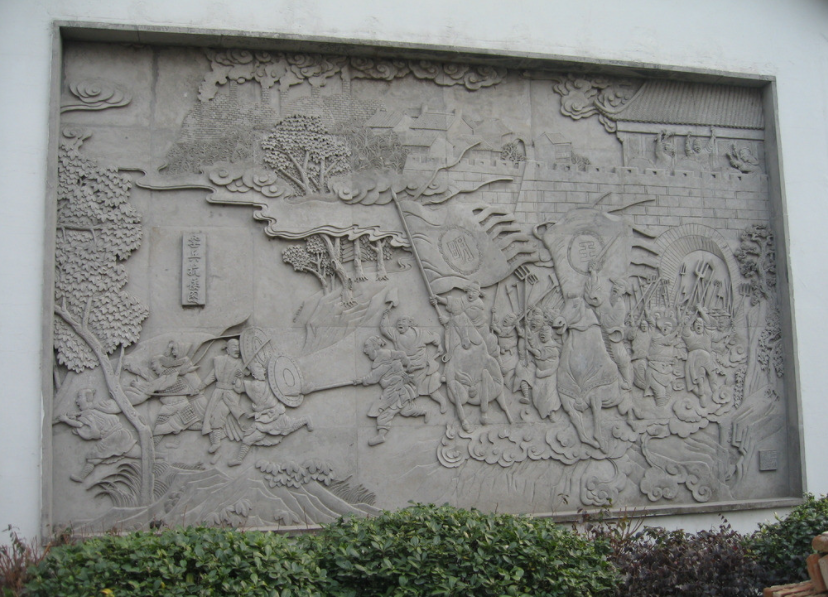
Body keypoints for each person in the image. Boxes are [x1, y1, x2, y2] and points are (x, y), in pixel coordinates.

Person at [228, 361, 312, 466]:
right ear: (254, 374)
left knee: (290, 426)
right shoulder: (251, 385)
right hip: (263, 417)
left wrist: (301, 390)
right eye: (259, 369)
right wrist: (238, 377)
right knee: (248, 439)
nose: (263, 370)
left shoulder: (271, 382)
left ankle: (305, 420)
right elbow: (238, 388)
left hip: (276, 414)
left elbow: (286, 389)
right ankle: (239, 459)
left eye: (263, 369)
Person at [357, 336, 426, 446]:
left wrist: (362, 380)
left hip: (394, 390)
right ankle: (424, 412)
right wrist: (407, 363)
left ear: (374, 347)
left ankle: (381, 435)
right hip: (396, 389)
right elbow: (402, 355)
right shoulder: (389, 354)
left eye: (366, 347)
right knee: (405, 410)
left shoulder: (384, 360)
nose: (364, 351)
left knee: (384, 411)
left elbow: (374, 377)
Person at [59, 388, 139, 482]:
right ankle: (151, 456)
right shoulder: (93, 410)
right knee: (133, 451)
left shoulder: (89, 413)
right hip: (121, 433)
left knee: (93, 456)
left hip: (112, 437)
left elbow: (81, 425)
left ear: (87, 399)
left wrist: (66, 420)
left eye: (79, 397)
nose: (76, 401)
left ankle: (81, 476)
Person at [380, 309, 448, 413]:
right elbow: (384, 329)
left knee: (431, 389)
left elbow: (435, 337)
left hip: (423, 368)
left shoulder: (421, 334)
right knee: (404, 392)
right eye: (398, 322)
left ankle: (442, 402)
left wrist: (439, 346)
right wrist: (385, 316)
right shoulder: (396, 335)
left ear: (410, 323)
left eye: (403, 321)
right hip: (407, 370)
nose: (400, 323)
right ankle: (412, 410)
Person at [200, 339, 246, 453]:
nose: (237, 349)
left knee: (218, 414)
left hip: (231, 394)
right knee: (209, 416)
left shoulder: (242, 364)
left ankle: (216, 443)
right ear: (227, 348)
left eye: (238, 346)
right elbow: (212, 376)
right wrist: (199, 388)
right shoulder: (220, 360)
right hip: (218, 392)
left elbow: (240, 386)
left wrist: (239, 377)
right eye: (234, 346)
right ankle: (214, 440)